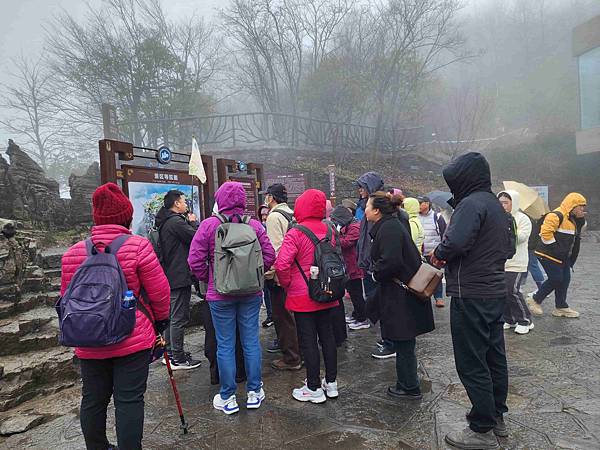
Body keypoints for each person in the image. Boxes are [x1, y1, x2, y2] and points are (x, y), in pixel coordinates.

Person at [60, 183, 170, 450]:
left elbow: (67, 299)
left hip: (89, 338)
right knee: (129, 400)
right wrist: (160, 322)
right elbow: (160, 292)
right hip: (132, 336)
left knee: (93, 399)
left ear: (96, 217)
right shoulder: (139, 247)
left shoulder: (73, 253)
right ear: (127, 216)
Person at [430, 152, 510, 450]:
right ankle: (495, 415)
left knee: (471, 360)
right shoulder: (496, 206)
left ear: (465, 179)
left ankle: (481, 428)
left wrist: (439, 252)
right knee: (493, 355)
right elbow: (509, 247)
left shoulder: (470, 204)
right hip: (494, 291)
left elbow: (456, 242)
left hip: (470, 293)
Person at [188, 181, 275, 415]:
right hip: (251, 293)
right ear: (242, 201)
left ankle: (228, 397)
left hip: (219, 295)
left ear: (220, 200)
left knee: (225, 345)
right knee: (250, 341)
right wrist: (254, 275)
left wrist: (213, 278)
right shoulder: (255, 225)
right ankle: (254, 392)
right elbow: (269, 255)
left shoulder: (208, 226)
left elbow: (194, 260)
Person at [365, 192, 434, 400]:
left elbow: (391, 261)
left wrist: (376, 274)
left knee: (404, 341)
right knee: (404, 340)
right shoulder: (389, 225)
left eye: (368, 206)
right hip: (400, 292)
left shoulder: (388, 228)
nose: (365, 209)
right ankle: (407, 382)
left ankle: (409, 387)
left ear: (377, 210)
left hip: (400, 294)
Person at [274, 189, 340, 404]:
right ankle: (331, 384)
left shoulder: (296, 232)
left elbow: (282, 264)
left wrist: (287, 284)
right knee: (328, 337)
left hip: (304, 296)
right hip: (328, 291)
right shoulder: (330, 229)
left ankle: (313, 387)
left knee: (308, 341)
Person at [154, 190, 201, 369]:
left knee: (172, 316)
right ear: (176, 204)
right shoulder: (175, 222)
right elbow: (196, 238)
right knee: (178, 317)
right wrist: (194, 222)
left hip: (171, 274)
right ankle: (178, 358)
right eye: (183, 201)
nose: (186, 204)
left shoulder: (166, 221)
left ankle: (171, 353)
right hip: (179, 275)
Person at [354, 172, 397, 359]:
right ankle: (387, 337)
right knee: (376, 302)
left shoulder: (385, 217)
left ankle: (391, 342)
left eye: (362, 186)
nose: (359, 190)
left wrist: (375, 266)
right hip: (369, 264)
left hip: (376, 267)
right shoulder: (364, 207)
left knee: (384, 305)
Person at [262, 183, 302, 370]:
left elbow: (274, 249)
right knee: (293, 316)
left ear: (272, 197)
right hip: (295, 273)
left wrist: (270, 274)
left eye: (267, 196)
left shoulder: (274, 216)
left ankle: (291, 358)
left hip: (281, 276)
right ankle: (298, 351)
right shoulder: (292, 214)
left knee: (283, 317)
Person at [528, 193, 587, 318]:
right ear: (573, 205)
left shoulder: (573, 219)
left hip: (562, 256)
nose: (583, 209)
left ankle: (561, 307)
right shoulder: (556, 215)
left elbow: (576, 238)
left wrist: (580, 220)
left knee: (565, 279)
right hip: (547, 254)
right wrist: (557, 250)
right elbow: (545, 233)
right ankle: (535, 299)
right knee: (556, 278)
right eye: (581, 206)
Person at [497, 191, 533, 335]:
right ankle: (510, 319)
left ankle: (525, 320)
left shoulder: (522, 219)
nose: (502, 205)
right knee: (502, 292)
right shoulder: (497, 217)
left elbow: (521, 237)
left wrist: (506, 230)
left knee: (513, 290)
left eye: (506, 202)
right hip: (501, 262)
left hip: (517, 262)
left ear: (514, 203)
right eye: (500, 202)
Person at [330, 205, 369, 331]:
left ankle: (362, 319)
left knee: (356, 294)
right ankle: (356, 314)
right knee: (352, 293)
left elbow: (346, 243)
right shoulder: (349, 225)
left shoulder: (354, 227)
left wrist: (334, 238)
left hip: (355, 266)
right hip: (349, 265)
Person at [418, 196, 447, 307]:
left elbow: (444, 235)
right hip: (420, 253)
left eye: (420, 203)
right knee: (421, 276)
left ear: (427, 204)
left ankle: (438, 297)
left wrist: (439, 250)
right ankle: (422, 296)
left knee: (436, 275)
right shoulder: (415, 217)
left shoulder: (437, 217)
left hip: (434, 252)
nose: (418, 206)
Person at [258, 205, 273, 328]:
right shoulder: (259, 227)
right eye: (262, 214)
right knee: (266, 293)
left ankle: (271, 315)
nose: (264, 217)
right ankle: (270, 315)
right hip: (265, 266)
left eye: (266, 214)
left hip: (270, 267)